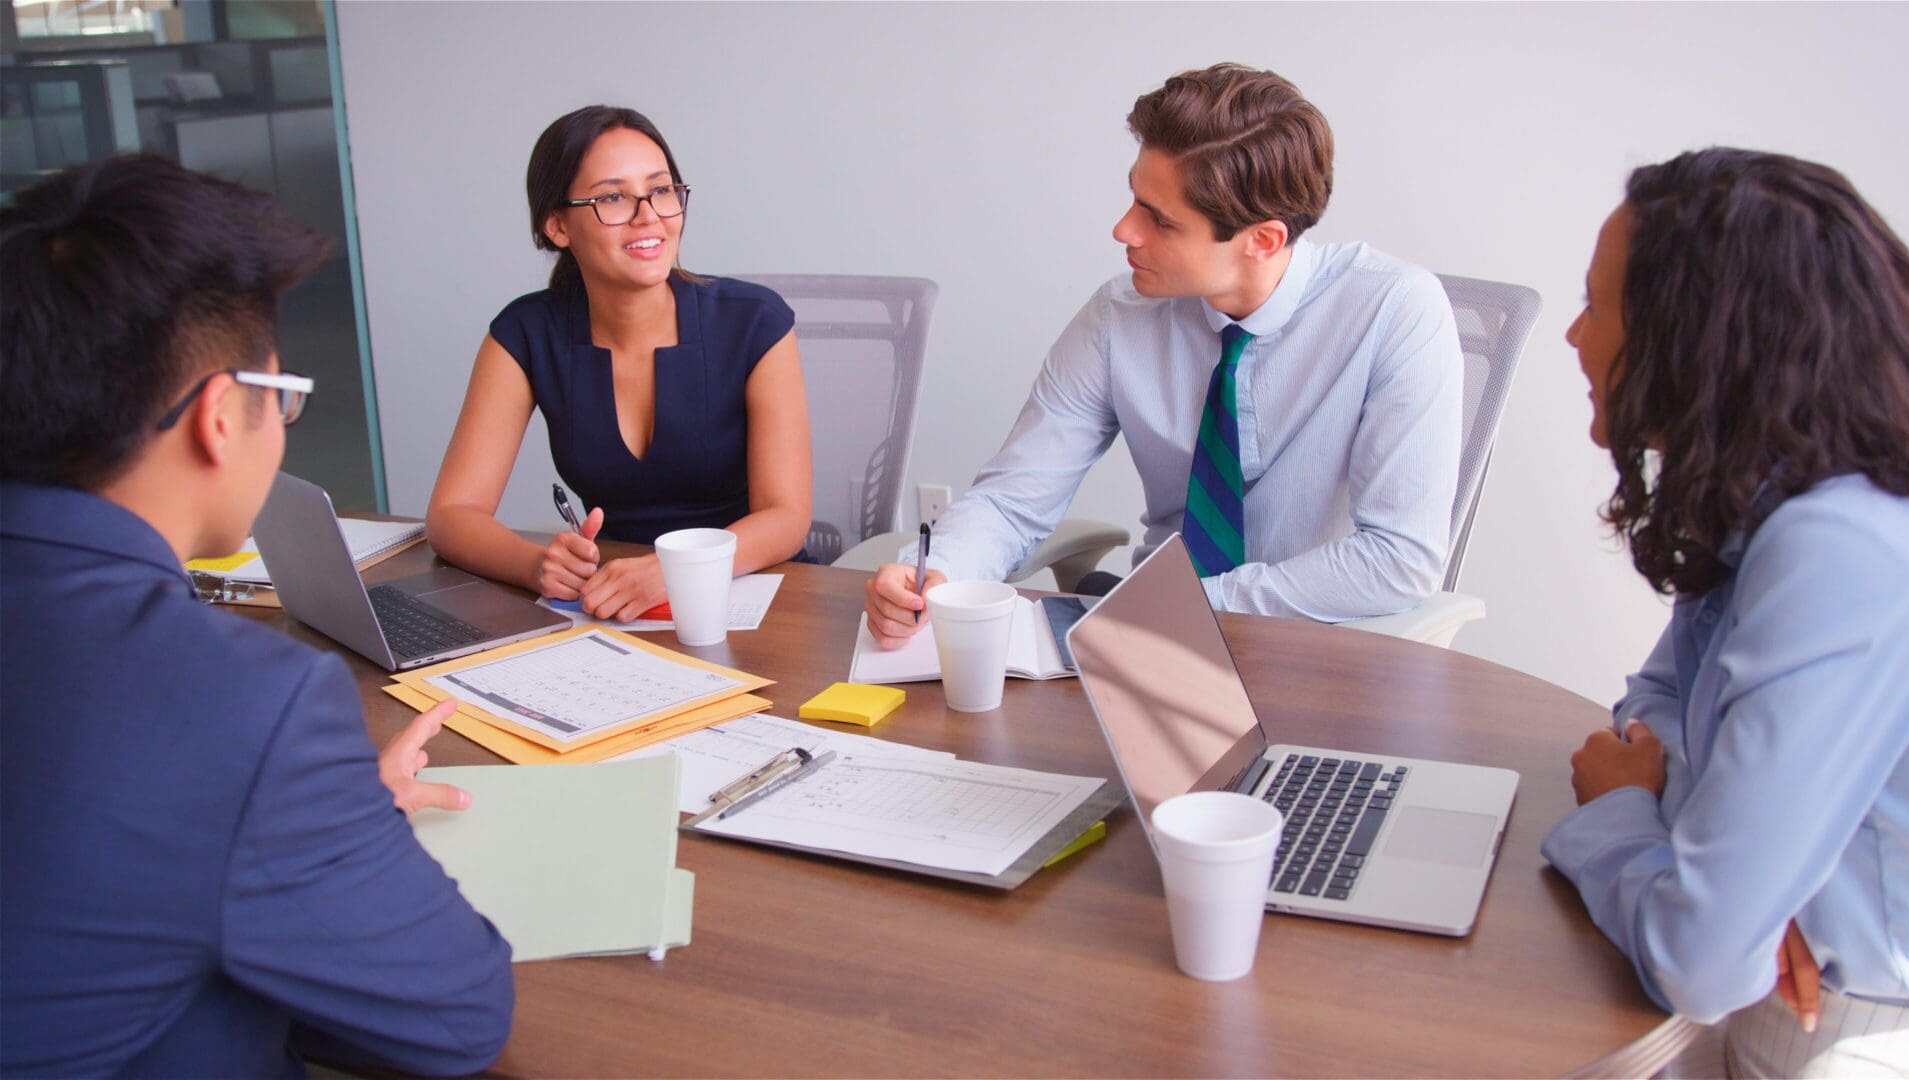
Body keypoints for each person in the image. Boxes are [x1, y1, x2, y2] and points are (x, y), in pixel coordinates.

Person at [0, 155, 513, 1076]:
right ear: (219, 418)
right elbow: (458, 1018)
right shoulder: (239, 703)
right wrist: (333, 824)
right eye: (281, 398)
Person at [863, 62, 1462, 646]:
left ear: (1263, 240)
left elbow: (1398, 557)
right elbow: (1014, 499)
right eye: (1133, 200)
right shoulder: (1118, 318)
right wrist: (941, 573)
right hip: (1151, 648)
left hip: (1320, 650)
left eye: (1161, 221)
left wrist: (1191, 606)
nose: (1123, 231)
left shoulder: (1393, 309)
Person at [1544, 148, 1909, 1077]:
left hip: (1837, 1028)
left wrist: (1626, 813)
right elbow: (1652, 704)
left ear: (1696, 337)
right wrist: (1742, 881)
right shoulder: (1773, 499)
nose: (1573, 336)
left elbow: (1701, 960)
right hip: (1783, 993)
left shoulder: (1842, 546)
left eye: (1599, 304)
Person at [427, 105, 812, 623]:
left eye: (660, 190)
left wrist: (674, 568)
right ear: (558, 226)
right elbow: (453, 514)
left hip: (755, 595)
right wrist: (537, 564)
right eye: (612, 197)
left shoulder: (755, 322)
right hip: (612, 603)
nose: (649, 214)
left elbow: (786, 517)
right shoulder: (524, 334)